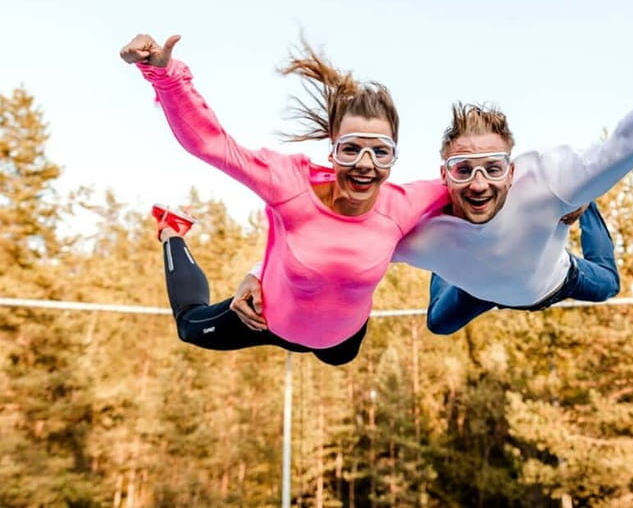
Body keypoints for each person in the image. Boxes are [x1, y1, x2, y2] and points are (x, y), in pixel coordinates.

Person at [230, 17, 633, 335]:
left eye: (493, 169)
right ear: (443, 173)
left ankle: (591, 208)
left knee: (608, 284)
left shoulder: (548, 183)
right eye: (463, 169)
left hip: (552, 281)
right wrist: (257, 273)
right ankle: (450, 268)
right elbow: (323, 235)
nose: (478, 183)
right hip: (478, 287)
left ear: (511, 170)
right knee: (437, 323)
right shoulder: (409, 224)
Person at [120, 35, 449, 365]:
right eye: (351, 149)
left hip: (340, 339)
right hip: (264, 320)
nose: (365, 164)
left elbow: (484, 184)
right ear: (333, 152)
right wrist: (163, 74)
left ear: (393, 159)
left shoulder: (404, 205)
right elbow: (210, 143)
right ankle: (172, 232)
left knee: (339, 357)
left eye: (380, 152)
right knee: (190, 327)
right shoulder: (290, 184)